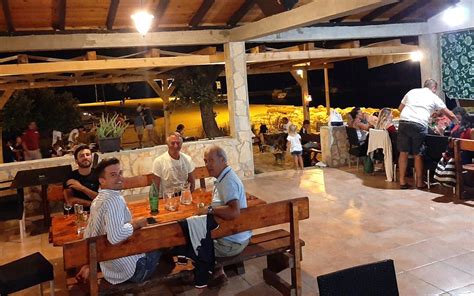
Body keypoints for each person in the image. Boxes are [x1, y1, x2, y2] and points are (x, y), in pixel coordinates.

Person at [75, 157, 160, 285]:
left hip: (112, 272)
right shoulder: (114, 200)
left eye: (120, 173)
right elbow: (115, 236)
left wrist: (88, 264)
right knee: (164, 239)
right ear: (102, 180)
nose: (120, 178)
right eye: (113, 175)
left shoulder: (98, 200)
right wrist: (136, 223)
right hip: (133, 271)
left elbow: (90, 234)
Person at [202, 145, 252, 286]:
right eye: (205, 161)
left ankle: (208, 273)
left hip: (232, 243)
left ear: (223, 159)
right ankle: (218, 271)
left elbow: (234, 211)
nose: (207, 165)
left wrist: (210, 209)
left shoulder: (228, 181)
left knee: (193, 243)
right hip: (239, 236)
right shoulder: (224, 177)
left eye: (211, 160)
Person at [397, 79, 458, 189]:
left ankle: (402, 181)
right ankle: (420, 183)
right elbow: (450, 114)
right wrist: (459, 124)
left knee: (403, 152)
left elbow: (400, 108)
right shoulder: (433, 96)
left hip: (403, 121)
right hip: (419, 124)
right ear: (434, 88)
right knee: (418, 153)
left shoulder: (412, 92)